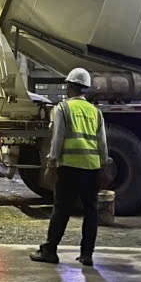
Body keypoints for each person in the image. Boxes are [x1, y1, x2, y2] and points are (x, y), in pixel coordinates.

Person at [31, 68, 107, 268]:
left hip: (70, 167)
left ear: (70, 87)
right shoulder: (95, 112)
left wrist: (51, 164)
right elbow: (102, 143)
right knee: (91, 211)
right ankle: (87, 254)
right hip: (92, 168)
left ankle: (50, 251)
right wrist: (103, 165)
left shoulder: (63, 109)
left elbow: (57, 139)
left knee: (62, 210)